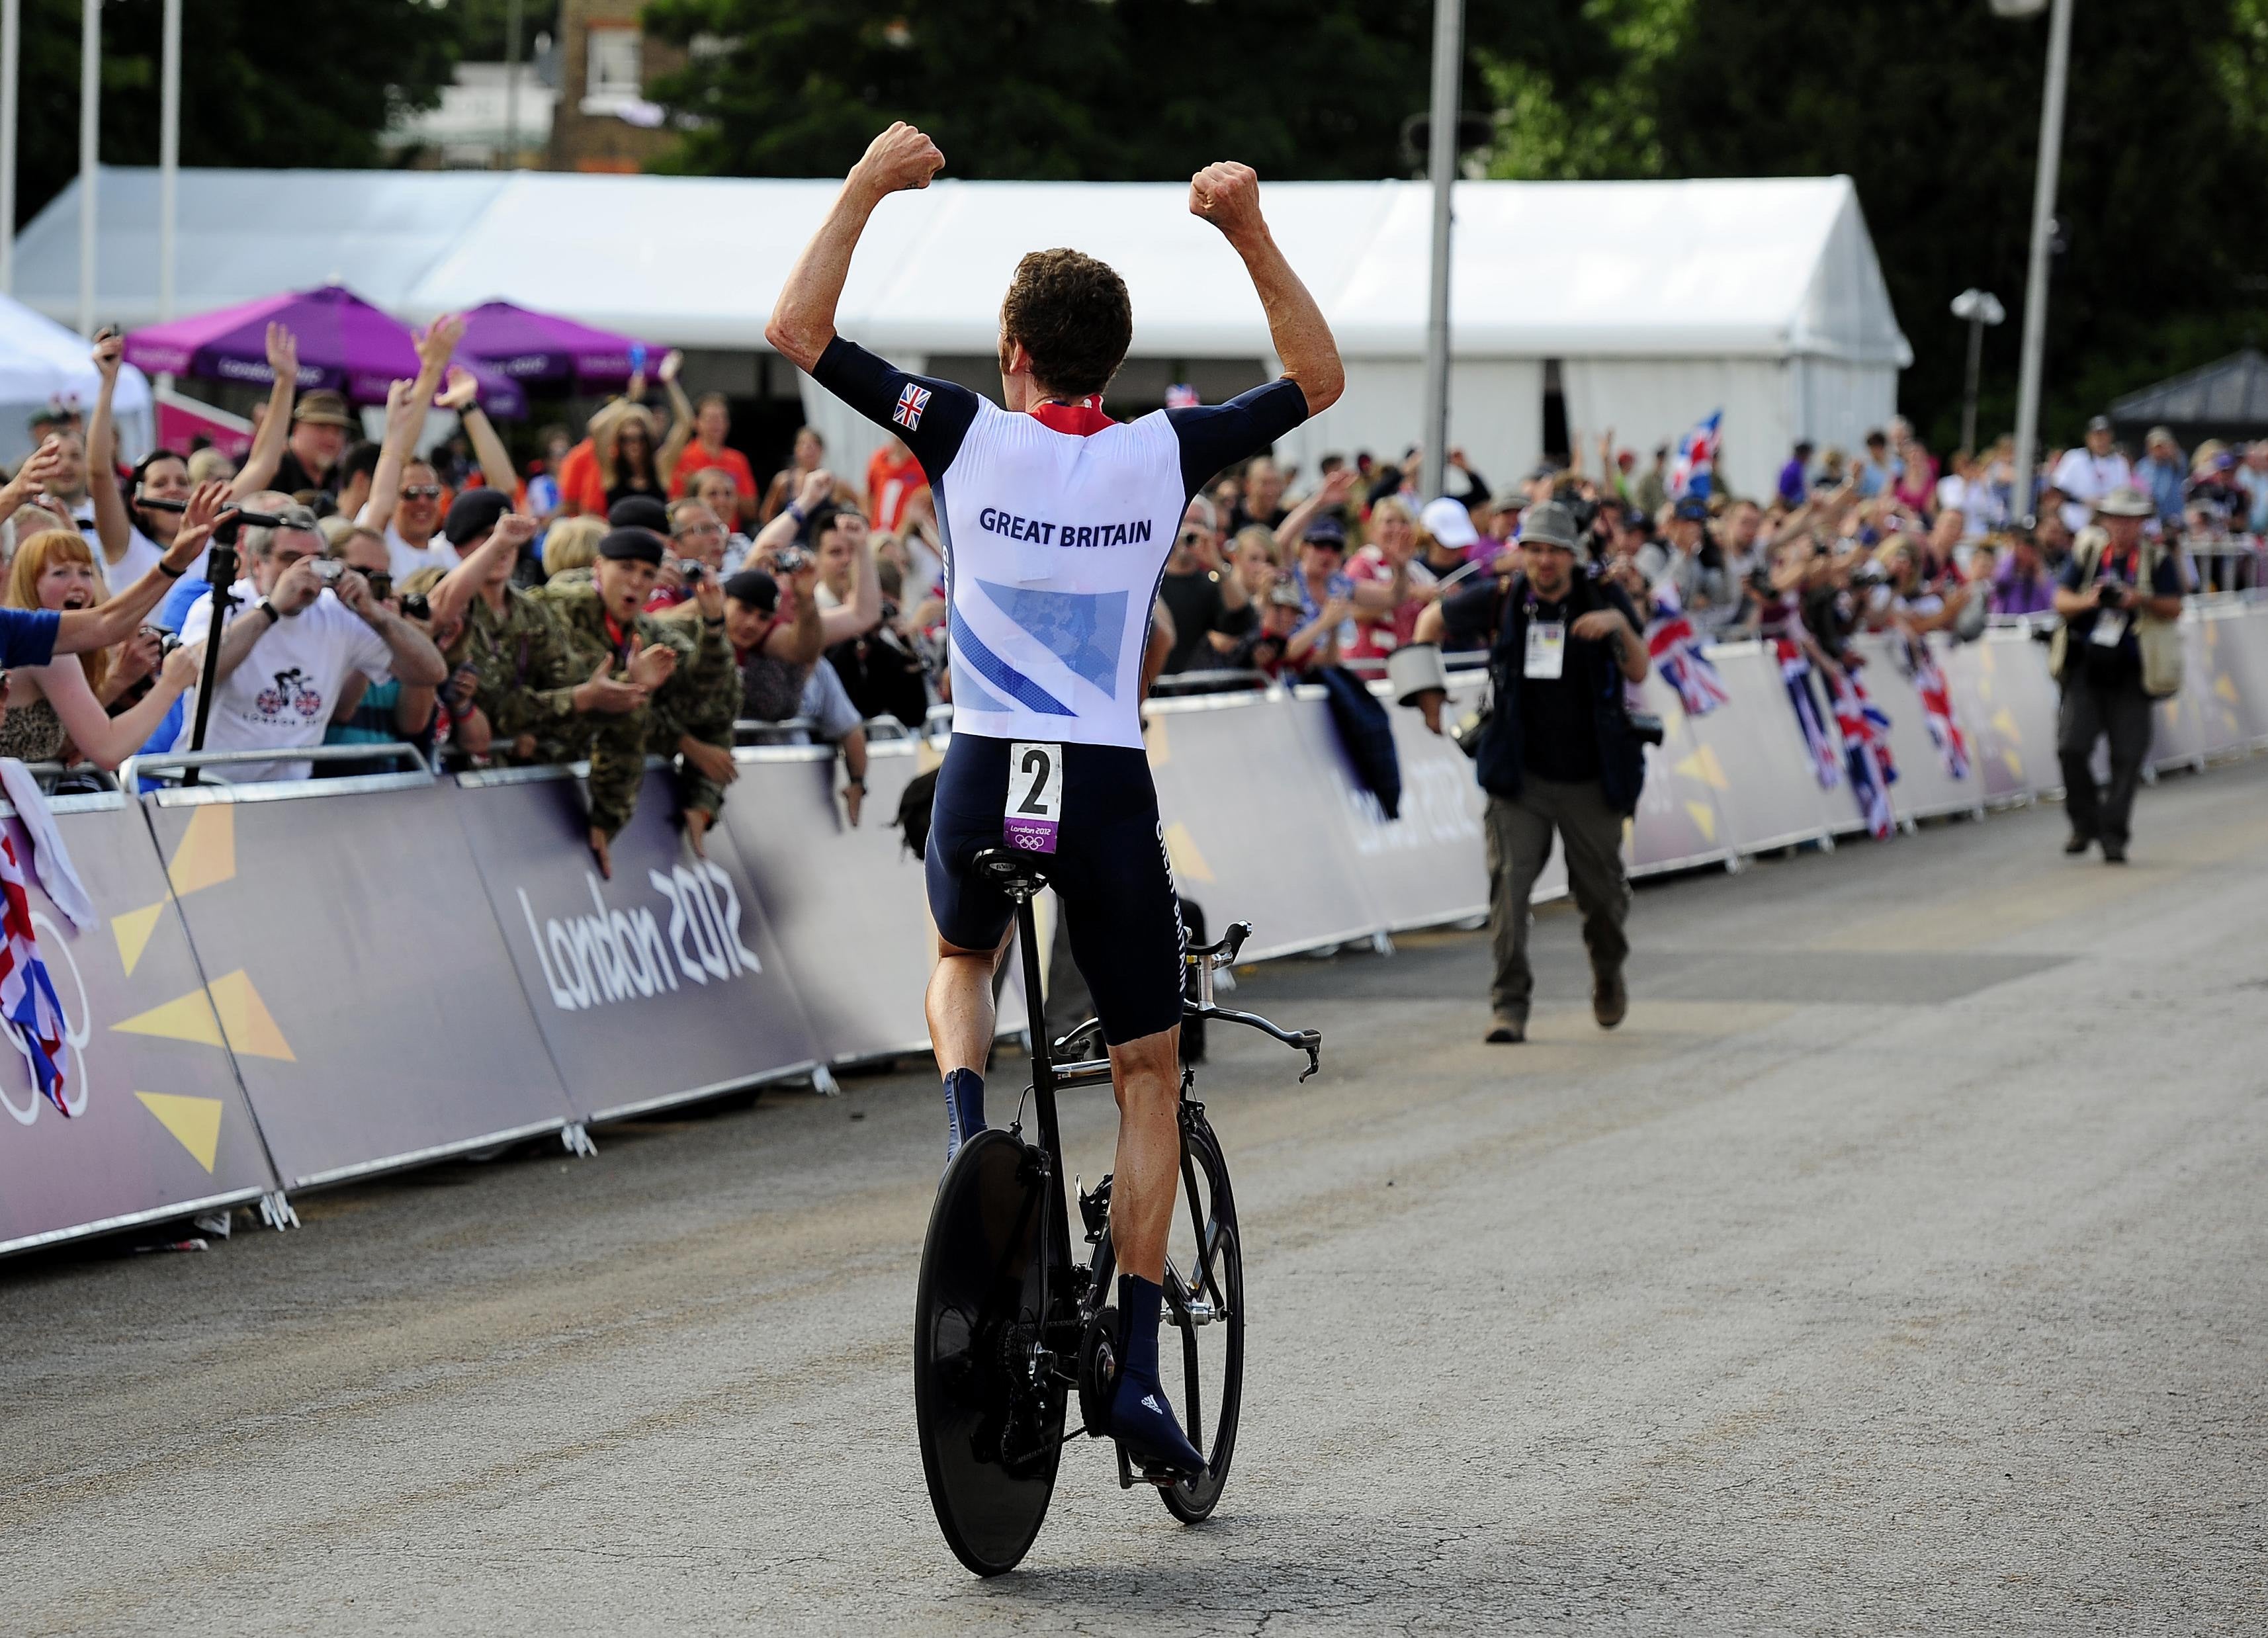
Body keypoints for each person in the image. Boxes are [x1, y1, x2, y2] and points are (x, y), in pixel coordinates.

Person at [765, 122, 1342, 1483]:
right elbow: (1317, 377)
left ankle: (974, 1161)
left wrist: (868, 184)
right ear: (1112, 364)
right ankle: (1135, 1365)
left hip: (983, 764)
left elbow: (796, 326)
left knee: (961, 954)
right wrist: (1247, 228)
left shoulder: (960, 431)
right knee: (1150, 1070)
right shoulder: (1165, 450)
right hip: (1100, 782)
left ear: (1012, 356)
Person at [1408, 499, 1650, 1045]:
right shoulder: (1501, 599)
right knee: (1510, 896)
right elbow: (1428, 621)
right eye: (1534, 550)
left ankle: (1607, 974)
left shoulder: (1602, 596)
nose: (1543, 562)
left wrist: (1616, 624)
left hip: (1593, 777)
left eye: (1554, 552)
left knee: (1604, 901)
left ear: (1572, 556)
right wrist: (1428, 695)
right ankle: (1509, 1005)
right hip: (1521, 778)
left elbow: (1639, 666)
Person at [173, 497, 448, 784]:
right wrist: (272, 609)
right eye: (290, 559)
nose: (305, 571)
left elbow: (430, 672)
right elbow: (195, 673)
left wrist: (375, 614)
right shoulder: (223, 605)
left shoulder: (334, 613)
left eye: (317, 560)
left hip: (291, 795)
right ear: (258, 563)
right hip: (211, 785)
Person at [2049, 486, 2183, 863]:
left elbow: (2175, 607)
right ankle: (2085, 822)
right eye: (2117, 520)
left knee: (2128, 756)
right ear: (2106, 521)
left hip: (2133, 669)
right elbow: (2060, 600)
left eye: (2130, 520)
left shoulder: (2155, 559)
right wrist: (2090, 599)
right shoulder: (2089, 554)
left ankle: (2114, 834)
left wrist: (2140, 599)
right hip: (2087, 666)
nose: (2123, 527)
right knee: (2071, 747)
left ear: (2141, 523)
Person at [0, 527, 204, 767]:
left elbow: (106, 623)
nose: (77, 585)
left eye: (86, 573)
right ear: (27, 581)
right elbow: (109, 749)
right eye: (60, 573)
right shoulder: (46, 652)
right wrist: (172, 683)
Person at [1156, 496, 1252, 673]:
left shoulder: (1212, 583)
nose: (1190, 530)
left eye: (1198, 523)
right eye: (1184, 521)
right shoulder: (1153, 583)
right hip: (1155, 688)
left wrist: (1216, 563)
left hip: (1195, 690)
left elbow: (1243, 622)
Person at [665, 388, 758, 520]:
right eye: (711, 418)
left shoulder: (737, 460)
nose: (717, 423)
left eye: (722, 418)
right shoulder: (684, 457)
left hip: (730, 533)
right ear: (696, 423)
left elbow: (752, 510)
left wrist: (725, 491)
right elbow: (673, 506)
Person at [2051, 416, 2132, 535]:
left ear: (2111, 437)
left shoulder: (2119, 462)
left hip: (2105, 526)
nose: (2101, 440)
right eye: (2096, 436)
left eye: (2104, 435)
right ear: (2088, 438)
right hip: (2073, 526)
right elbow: (2056, 491)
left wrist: (2104, 503)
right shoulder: (2074, 458)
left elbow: (2124, 493)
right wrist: (2083, 501)